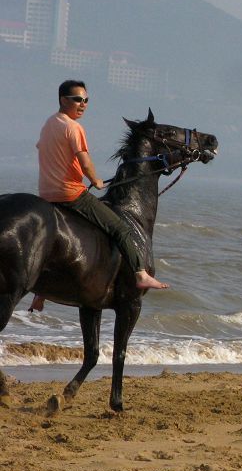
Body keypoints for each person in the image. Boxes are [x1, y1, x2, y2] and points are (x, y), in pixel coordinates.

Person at [30, 80, 168, 312]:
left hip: (47, 194)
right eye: (77, 100)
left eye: (86, 100)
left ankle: (40, 294)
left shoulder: (49, 123)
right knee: (120, 229)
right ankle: (141, 274)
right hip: (71, 193)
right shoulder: (73, 128)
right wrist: (95, 180)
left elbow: (40, 147)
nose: (83, 104)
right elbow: (84, 159)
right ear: (63, 100)